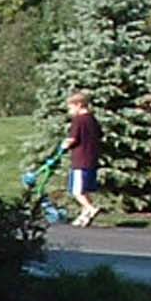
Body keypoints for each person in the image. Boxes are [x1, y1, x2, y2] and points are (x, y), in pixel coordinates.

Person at [62, 91, 103, 227]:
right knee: (84, 190)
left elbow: (73, 138)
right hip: (92, 158)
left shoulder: (79, 120)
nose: (70, 111)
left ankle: (90, 208)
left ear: (79, 105)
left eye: (71, 107)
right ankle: (85, 214)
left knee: (77, 191)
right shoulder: (92, 119)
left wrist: (64, 145)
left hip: (80, 160)